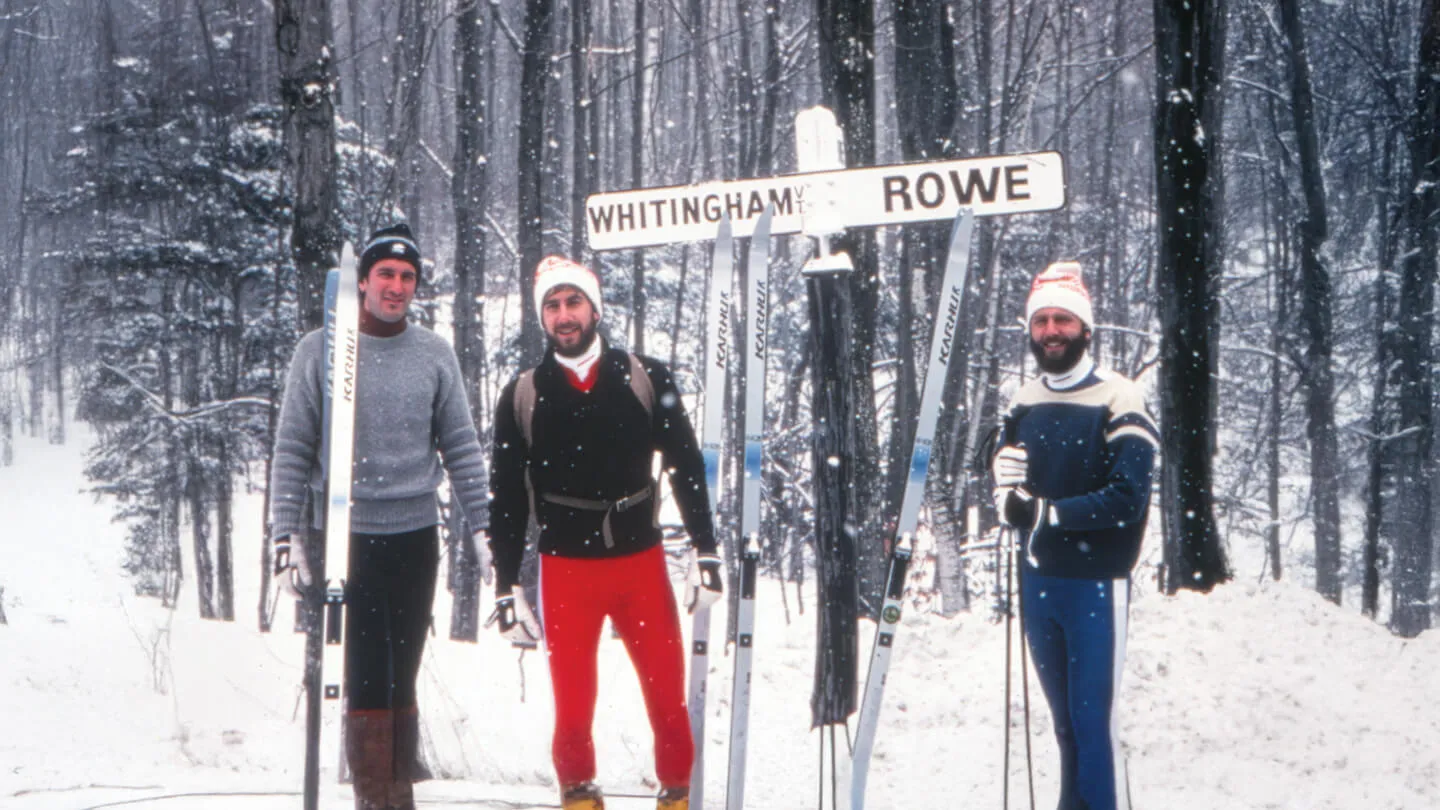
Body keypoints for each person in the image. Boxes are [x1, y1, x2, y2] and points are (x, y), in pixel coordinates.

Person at [485, 256, 724, 810]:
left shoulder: (644, 377)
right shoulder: (523, 393)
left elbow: (686, 465)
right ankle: (579, 798)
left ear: (595, 308)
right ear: (542, 317)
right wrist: (505, 584)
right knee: (572, 710)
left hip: (640, 562)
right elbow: (508, 497)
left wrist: (705, 550)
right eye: (552, 305)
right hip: (565, 572)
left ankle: (677, 799)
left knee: (667, 699)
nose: (564, 316)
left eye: (573, 302)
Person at [269, 223, 492, 810]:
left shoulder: (433, 354)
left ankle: (397, 795)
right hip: (344, 536)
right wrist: (286, 535)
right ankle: (376, 798)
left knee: (404, 673)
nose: (396, 287)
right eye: (386, 275)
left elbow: (462, 445)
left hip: (415, 535)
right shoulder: (319, 349)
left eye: (407, 277)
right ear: (362, 281)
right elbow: (293, 445)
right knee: (366, 674)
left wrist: (483, 526)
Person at [991, 261, 1158, 810]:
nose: (1051, 331)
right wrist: (1002, 483)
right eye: (1041, 321)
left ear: (1086, 329)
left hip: (1095, 583)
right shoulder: (1023, 399)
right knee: (1064, 728)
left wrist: (1045, 514)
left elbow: (1126, 497)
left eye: (1063, 319)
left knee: (1095, 727)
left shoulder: (1120, 397)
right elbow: (1002, 470)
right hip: (1039, 582)